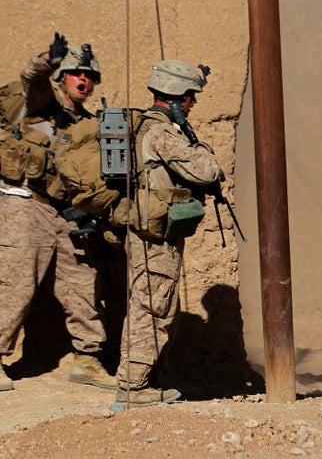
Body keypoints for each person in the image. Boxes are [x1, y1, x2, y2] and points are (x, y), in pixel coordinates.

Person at [0, 34, 115, 392]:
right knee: (18, 283)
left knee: (83, 280)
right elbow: (32, 78)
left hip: (64, 211)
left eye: (89, 76)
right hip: (24, 204)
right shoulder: (40, 104)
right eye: (75, 73)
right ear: (62, 76)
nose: (83, 80)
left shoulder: (88, 124)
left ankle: (87, 358)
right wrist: (47, 60)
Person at [112, 59, 223, 409]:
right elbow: (206, 171)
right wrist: (202, 147)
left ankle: (146, 382)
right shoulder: (161, 132)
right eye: (191, 97)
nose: (193, 104)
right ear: (177, 96)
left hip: (154, 231)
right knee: (151, 306)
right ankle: (132, 387)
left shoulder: (151, 127)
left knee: (158, 304)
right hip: (154, 236)